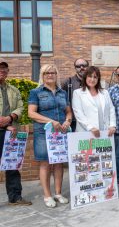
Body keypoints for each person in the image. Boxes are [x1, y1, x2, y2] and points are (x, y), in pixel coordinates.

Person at [28, 64, 72, 208]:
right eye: (47, 73)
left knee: (59, 163)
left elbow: (68, 111)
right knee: (45, 163)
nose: (50, 75)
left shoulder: (62, 93)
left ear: (56, 74)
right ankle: (47, 195)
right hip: (43, 132)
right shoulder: (36, 92)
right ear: (42, 75)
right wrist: (51, 121)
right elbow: (31, 113)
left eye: (53, 72)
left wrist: (67, 120)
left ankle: (58, 193)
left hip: (60, 133)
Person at [0, 60, 32, 206]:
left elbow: (20, 106)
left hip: (11, 131)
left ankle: (15, 197)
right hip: (5, 129)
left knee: (12, 164)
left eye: (4, 69)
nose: (2, 71)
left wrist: (10, 118)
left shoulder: (14, 90)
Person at [72, 66, 116, 138]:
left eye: (95, 77)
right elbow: (79, 113)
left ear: (98, 79)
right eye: (90, 76)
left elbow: (111, 109)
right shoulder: (77, 93)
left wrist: (112, 125)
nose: (92, 79)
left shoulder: (105, 92)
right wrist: (90, 127)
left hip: (105, 133)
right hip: (86, 133)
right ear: (85, 77)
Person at [61, 58, 89, 131]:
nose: (81, 68)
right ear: (75, 68)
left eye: (84, 65)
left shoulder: (92, 82)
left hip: (90, 121)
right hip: (73, 122)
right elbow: (62, 100)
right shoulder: (68, 82)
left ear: (88, 67)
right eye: (78, 66)